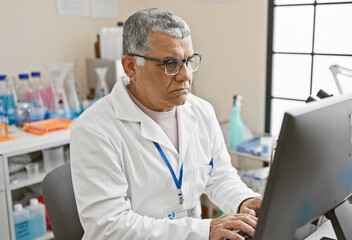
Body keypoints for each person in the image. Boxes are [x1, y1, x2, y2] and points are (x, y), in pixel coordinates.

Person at [71, 8, 263, 240]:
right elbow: (110, 226)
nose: (185, 75)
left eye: (189, 61)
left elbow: (219, 176)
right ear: (131, 67)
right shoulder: (94, 129)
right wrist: (202, 230)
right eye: (170, 63)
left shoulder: (201, 111)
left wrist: (243, 200)